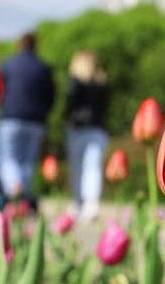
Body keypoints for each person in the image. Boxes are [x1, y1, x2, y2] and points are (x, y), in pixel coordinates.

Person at [0, 33, 54, 209]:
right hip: (35, 121)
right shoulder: (43, 68)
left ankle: (15, 190)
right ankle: (24, 199)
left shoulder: (7, 65)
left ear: (19, 45)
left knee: (8, 157)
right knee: (28, 161)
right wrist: (43, 113)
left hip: (10, 118)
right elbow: (51, 96)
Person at [66, 50, 108, 223]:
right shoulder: (102, 83)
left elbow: (70, 106)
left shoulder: (75, 83)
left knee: (78, 168)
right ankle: (91, 204)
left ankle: (79, 203)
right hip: (98, 129)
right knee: (93, 167)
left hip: (78, 129)